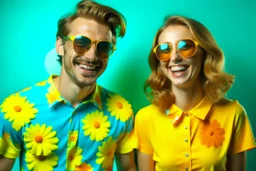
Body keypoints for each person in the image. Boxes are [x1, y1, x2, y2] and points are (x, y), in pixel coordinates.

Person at [0, 0, 136, 170]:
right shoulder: (16, 108)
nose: (92, 56)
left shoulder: (121, 112)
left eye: (103, 47)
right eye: (81, 43)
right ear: (60, 46)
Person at [132, 15, 256, 171]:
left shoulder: (233, 114)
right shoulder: (145, 119)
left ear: (205, 53)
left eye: (185, 46)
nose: (174, 57)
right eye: (165, 49)